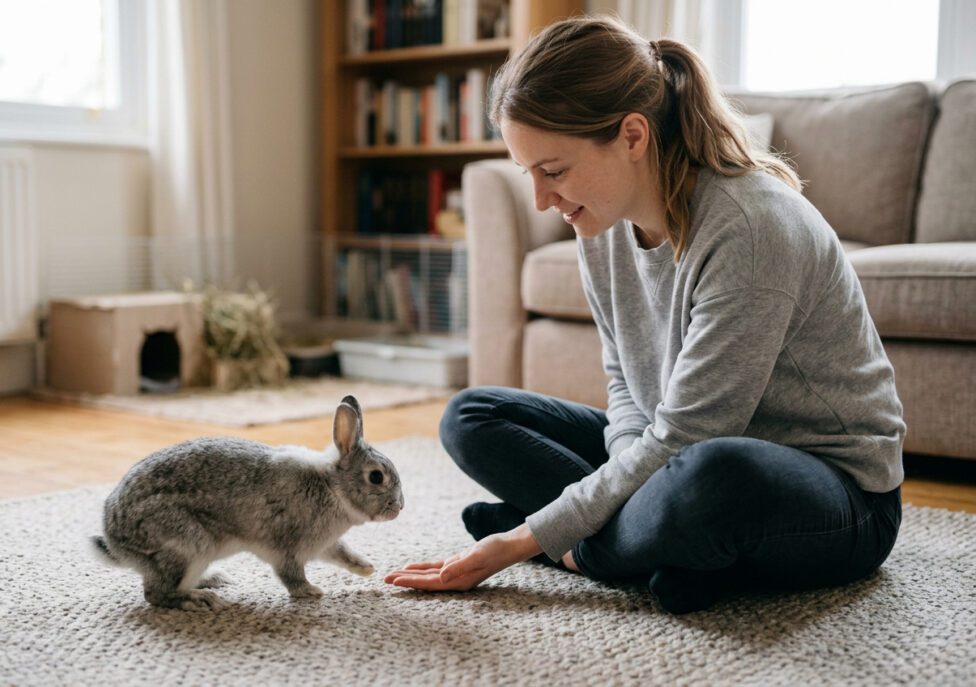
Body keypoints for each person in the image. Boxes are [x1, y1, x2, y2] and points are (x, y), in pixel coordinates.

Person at [383, 15, 905, 613]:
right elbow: (626, 381)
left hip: (836, 497)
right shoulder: (599, 222)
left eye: (553, 171)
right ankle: (662, 549)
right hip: (674, 455)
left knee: (714, 474)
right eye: (529, 173)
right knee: (472, 416)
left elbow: (692, 434)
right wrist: (617, 469)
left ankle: (598, 553)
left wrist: (523, 539)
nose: (542, 200)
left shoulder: (752, 227)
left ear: (632, 135)